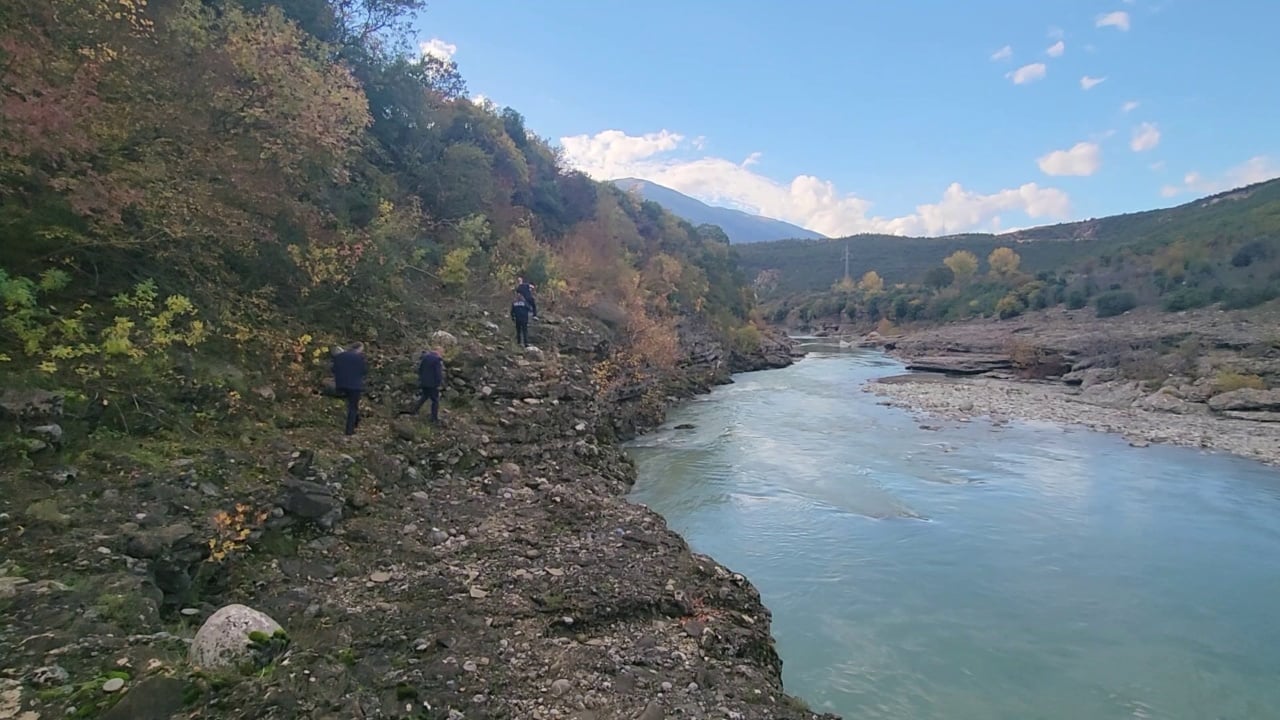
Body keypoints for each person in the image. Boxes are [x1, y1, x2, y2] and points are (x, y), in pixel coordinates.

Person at [331, 342, 367, 436]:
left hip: (340, 385)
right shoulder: (359, 358)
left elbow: (334, 370)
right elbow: (363, 371)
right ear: (358, 349)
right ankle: (349, 431)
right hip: (355, 386)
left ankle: (356, 421)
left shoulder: (339, 357)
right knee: (353, 407)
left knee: (351, 405)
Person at [411, 347, 445, 422]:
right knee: (435, 400)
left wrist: (421, 379)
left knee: (424, 396)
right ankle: (434, 418)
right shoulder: (436, 360)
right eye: (442, 353)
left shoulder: (425, 358)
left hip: (424, 382)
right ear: (438, 352)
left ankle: (414, 410)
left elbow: (420, 369)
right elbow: (438, 373)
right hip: (432, 384)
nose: (442, 355)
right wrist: (439, 383)